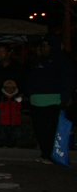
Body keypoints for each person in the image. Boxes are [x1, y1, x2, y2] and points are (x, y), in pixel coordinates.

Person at [27, 34, 75, 164]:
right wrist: (30, 92)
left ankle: (51, 155)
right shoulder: (38, 61)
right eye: (42, 46)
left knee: (51, 130)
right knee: (40, 129)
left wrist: (65, 98)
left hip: (53, 100)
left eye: (47, 46)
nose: (44, 49)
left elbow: (68, 80)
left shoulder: (63, 60)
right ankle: (44, 153)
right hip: (37, 101)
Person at [0, 45, 26, 132]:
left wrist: (21, 94)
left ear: (8, 53)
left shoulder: (17, 66)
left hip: (13, 101)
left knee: (13, 124)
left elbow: (22, 82)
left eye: (2, 52)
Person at [0, 79, 22, 148]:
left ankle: (13, 145)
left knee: (14, 135)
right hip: (4, 121)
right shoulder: (2, 98)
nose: (9, 90)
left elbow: (19, 108)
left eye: (11, 88)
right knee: (3, 135)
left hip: (15, 121)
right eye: (7, 88)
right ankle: (4, 145)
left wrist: (19, 102)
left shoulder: (16, 98)